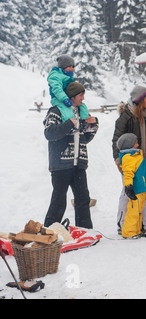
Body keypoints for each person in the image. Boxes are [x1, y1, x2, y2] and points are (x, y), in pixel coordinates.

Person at [43, 81, 99, 229]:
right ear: (72, 96)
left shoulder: (81, 112)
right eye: (81, 95)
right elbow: (49, 133)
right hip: (61, 165)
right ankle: (49, 231)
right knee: (59, 200)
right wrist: (69, 124)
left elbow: (84, 139)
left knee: (83, 199)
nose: (83, 98)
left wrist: (93, 125)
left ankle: (85, 231)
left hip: (78, 164)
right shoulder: (55, 111)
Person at [112, 85, 146, 235]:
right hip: (131, 161)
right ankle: (122, 224)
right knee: (128, 192)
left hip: (145, 160)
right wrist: (117, 159)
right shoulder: (126, 117)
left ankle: (145, 224)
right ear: (139, 100)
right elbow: (116, 139)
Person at [117, 133, 146, 239]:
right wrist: (128, 186)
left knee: (139, 210)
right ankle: (129, 232)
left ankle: (136, 230)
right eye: (135, 142)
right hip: (136, 189)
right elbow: (127, 174)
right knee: (133, 211)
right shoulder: (129, 157)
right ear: (129, 145)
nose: (138, 143)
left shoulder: (136, 155)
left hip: (141, 189)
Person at [47, 54, 89, 122]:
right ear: (62, 67)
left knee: (82, 106)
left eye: (73, 66)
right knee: (66, 109)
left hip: (68, 97)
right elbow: (57, 89)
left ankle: (85, 120)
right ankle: (69, 123)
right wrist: (64, 99)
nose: (72, 68)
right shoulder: (55, 76)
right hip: (58, 98)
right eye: (69, 66)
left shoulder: (68, 76)